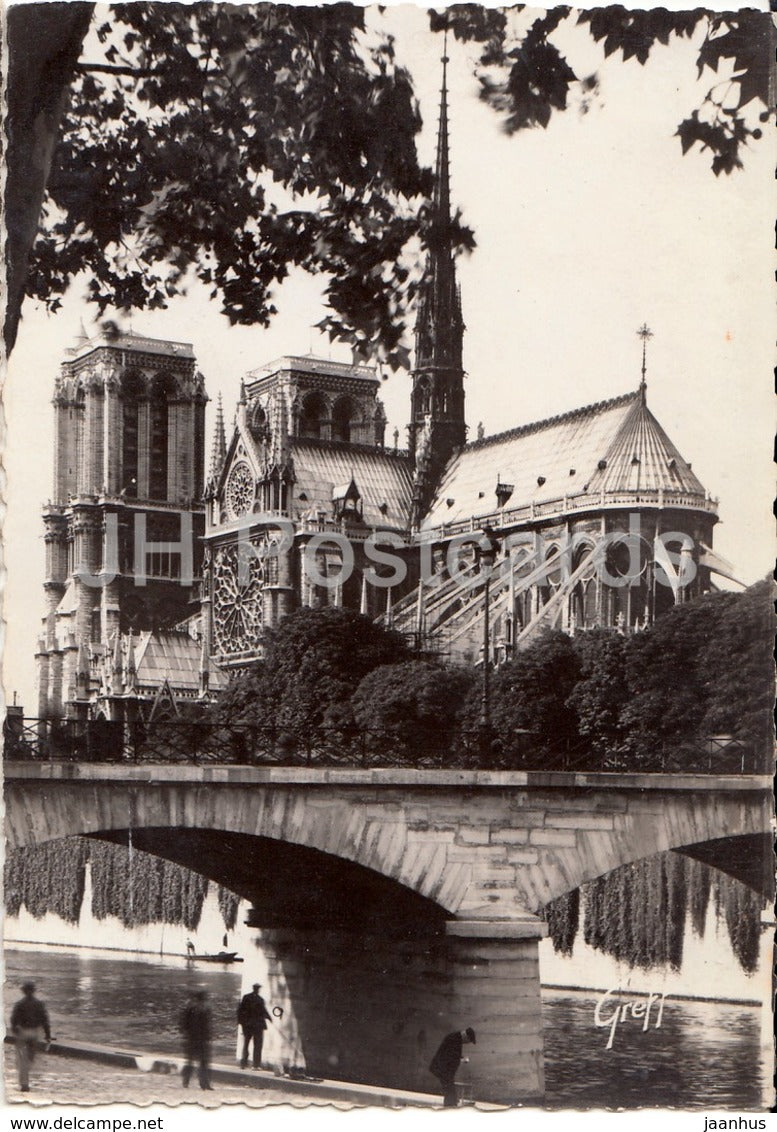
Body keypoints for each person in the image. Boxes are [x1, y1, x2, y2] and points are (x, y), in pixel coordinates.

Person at [10, 981, 52, 1093]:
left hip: (23, 1032)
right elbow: (45, 1021)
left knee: (22, 1058)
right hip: (34, 1033)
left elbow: (13, 1020)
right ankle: (27, 1071)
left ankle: (24, 1083)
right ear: (34, 991)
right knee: (30, 1057)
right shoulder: (39, 1004)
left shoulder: (19, 1004)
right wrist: (48, 1035)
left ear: (23, 991)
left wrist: (15, 1030)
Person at [429, 1027, 476, 1108]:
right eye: (468, 1041)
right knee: (449, 1091)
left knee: (450, 1091)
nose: (467, 1043)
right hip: (444, 1070)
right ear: (466, 1036)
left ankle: (450, 1106)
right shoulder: (455, 1039)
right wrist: (461, 1059)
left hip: (444, 1070)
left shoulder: (456, 1038)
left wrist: (460, 1058)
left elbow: (452, 1053)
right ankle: (450, 1108)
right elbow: (450, 1055)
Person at [180, 990, 212, 1089]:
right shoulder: (204, 1009)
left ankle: (187, 1081)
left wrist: (186, 1034)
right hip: (199, 1039)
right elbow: (206, 1026)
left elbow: (184, 1024)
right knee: (202, 1062)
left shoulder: (190, 1008)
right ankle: (204, 1084)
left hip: (193, 1038)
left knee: (191, 1061)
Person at [237, 983, 272, 1069]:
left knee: (249, 1044)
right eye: (257, 989)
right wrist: (269, 1018)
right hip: (255, 1025)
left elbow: (240, 1011)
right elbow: (263, 1011)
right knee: (254, 1045)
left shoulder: (248, 997)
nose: (257, 990)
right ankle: (253, 1064)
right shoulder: (258, 999)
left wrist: (241, 1022)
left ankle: (246, 1064)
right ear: (256, 989)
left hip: (250, 1025)